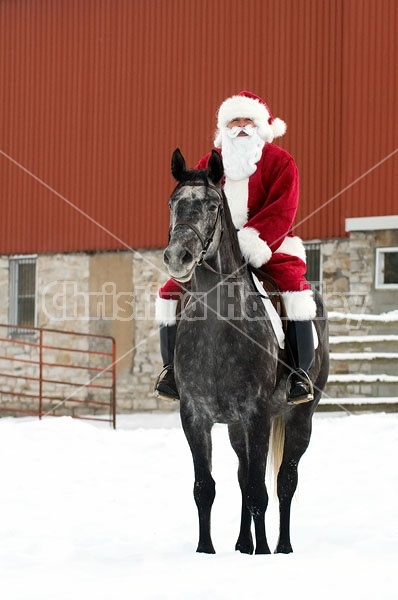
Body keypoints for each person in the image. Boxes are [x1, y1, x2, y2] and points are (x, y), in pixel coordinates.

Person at [155, 90, 316, 404]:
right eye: (233, 121)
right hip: (216, 249)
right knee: (168, 293)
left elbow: (284, 209)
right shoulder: (209, 162)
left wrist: (253, 241)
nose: (240, 126)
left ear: (260, 126)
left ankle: (298, 374)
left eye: (247, 120)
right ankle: (171, 372)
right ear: (223, 128)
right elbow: (197, 207)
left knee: (293, 292)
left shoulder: (281, 162)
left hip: (270, 245)